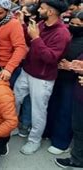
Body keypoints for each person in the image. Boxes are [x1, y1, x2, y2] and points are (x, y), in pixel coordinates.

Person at [14, 0, 71, 155]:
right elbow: (30, 41)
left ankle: (34, 140)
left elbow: (51, 58)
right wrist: (23, 25)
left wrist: (37, 38)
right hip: (27, 71)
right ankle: (12, 126)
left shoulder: (62, 33)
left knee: (38, 111)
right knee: (14, 98)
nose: (38, 10)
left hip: (43, 78)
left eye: (42, 8)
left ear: (51, 12)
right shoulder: (41, 24)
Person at [45, 11, 83, 155]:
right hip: (59, 76)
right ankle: (50, 132)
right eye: (72, 23)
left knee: (66, 111)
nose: (73, 26)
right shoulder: (67, 34)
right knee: (53, 105)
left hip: (74, 82)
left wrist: (73, 66)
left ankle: (61, 142)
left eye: (78, 25)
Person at [0, 0, 27, 82]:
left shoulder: (14, 24)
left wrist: (9, 69)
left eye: (0, 13)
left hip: (6, 68)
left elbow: (20, 48)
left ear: (7, 12)